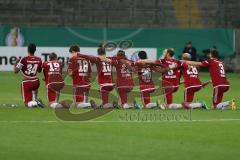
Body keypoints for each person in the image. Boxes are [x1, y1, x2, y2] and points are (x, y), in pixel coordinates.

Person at [14, 43, 43, 107]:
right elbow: (40, 70)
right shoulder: (39, 59)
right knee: (33, 94)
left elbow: (16, 71)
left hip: (26, 82)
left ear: (27, 50)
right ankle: (35, 100)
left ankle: (36, 103)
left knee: (27, 104)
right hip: (36, 81)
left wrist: (16, 62)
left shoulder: (24, 59)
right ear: (35, 50)